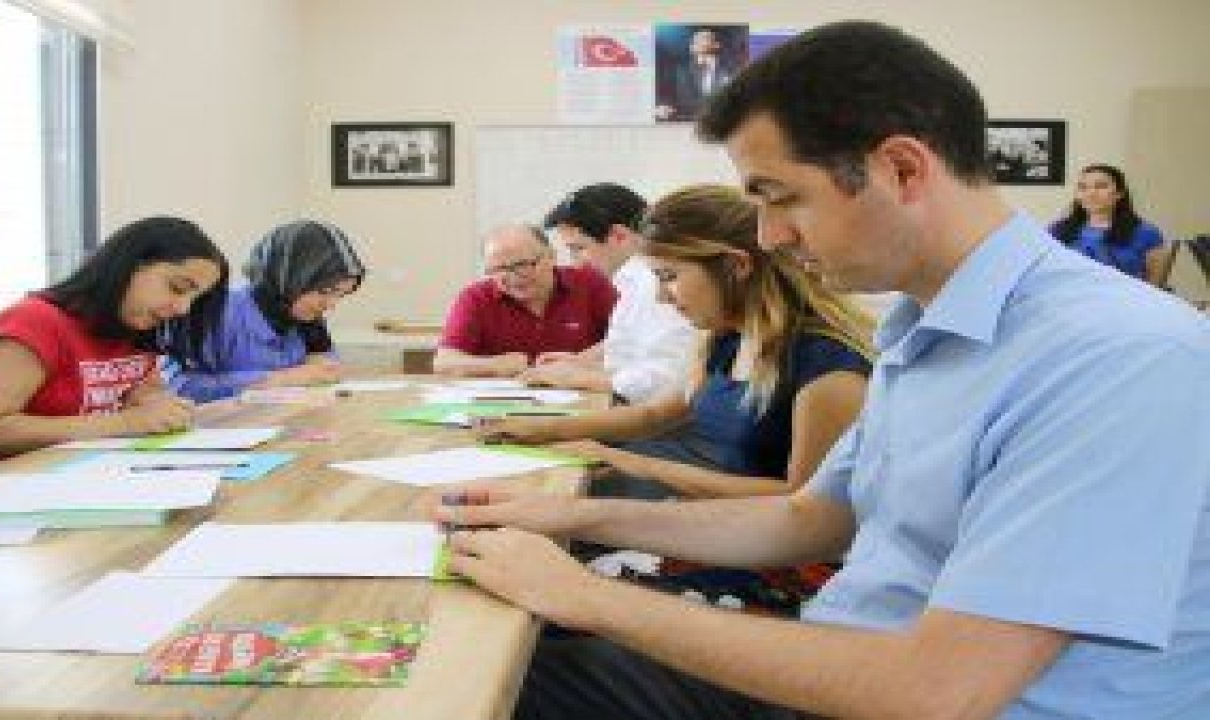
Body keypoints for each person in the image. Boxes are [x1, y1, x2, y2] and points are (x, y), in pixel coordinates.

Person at [435, 20, 1210, 720]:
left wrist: (582, 594)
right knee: (484, 651)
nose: (769, 237)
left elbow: (941, 690)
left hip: (895, 694)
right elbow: (810, 517)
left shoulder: (1118, 358)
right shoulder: (924, 331)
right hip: (844, 662)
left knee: (499, 677)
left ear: (901, 170)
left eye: (780, 199)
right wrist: (572, 517)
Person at [480, 184, 872, 500]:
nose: (662, 299)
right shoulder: (725, 339)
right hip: (703, 510)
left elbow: (800, 502)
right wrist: (538, 430)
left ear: (737, 266)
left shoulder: (826, 366)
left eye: (669, 277)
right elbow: (657, 415)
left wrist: (631, 463)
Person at [0, 217, 228, 480]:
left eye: (194, 299)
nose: (182, 308)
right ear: (129, 264)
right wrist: (125, 422)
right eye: (177, 288)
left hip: (65, 480)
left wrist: (158, 406)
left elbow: (145, 394)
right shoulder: (33, 323)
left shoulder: (134, 329)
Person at [527, 183, 697, 404]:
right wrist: (582, 361)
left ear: (619, 236)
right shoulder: (634, 280)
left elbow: (662, 381)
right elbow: (631, 345)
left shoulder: (653, 284)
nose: (576, 264)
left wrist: (577, 378)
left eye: (578, 248)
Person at [163, 220, 365, 403]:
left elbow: (326, 369)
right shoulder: (217, 310)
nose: (331, 305)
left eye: (341, 294)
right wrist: (281, 379)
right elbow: (178, 386)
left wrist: (325, 371)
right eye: (325, 291)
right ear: (290, 277)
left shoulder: (305, 318)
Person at [432, 224, 616, 378]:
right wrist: (495, 365)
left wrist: (578, 362)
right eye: (499, 269)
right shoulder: (475, 298)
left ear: (551, 256)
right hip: (503, 406)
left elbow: (631, 340)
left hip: (584, 397)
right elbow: (444, 362)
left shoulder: (591, 284)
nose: (513, 277)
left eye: (522, 265)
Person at [1050, 163, 1169, 283]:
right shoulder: (1057, 230)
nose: (1091, 193)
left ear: (1119, 193)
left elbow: (1154, 285)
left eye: (1101, 186)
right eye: (1083, 187)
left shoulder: (1146, 233)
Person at [656, 27, 738, 122]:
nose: (696, 41)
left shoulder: (732, 70)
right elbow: (666, 96)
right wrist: (662, 106)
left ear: (716, 45)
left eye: (703, 37)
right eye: (694, 40)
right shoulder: (680, 71)